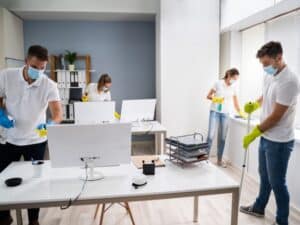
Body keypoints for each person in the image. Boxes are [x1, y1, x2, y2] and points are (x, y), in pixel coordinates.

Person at [0, 45, 62, 225]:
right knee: (3, 178)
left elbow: (58, 114)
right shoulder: (6, 76)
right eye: (35, 67)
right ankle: (4, 216)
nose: (39, 71)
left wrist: (50, 124)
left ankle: (33, 220)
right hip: (9, 138)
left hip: (36, 141)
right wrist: (1, 115)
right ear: (26, 61)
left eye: (43, 68)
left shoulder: (49, 85)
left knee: (35, 182)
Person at [240, 41, 299, 225]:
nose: (264, 68)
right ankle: (259, 207)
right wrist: (255, 104)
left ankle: (282, 221)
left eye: (266, 64)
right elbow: (266, 95)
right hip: (266, 137)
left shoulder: (289, 81)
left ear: (279, 58)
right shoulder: (269, 74)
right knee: (264, 176)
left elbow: (276, 116)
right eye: (262, 64)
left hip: (280, 142)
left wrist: (253, 133)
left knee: (277, 183)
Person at [206, 68, 245, 167]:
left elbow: (236, 103)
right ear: (228, 75)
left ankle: (219, 160)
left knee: (222, 138)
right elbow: (208, 96)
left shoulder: (234, 88)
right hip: (215, 111)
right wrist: (216, 99)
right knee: (210, 136)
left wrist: (241, 113)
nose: (234, 81)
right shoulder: (218, 83)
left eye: (236, 79)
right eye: (233, 78)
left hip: (225, 114)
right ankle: (205, 159)